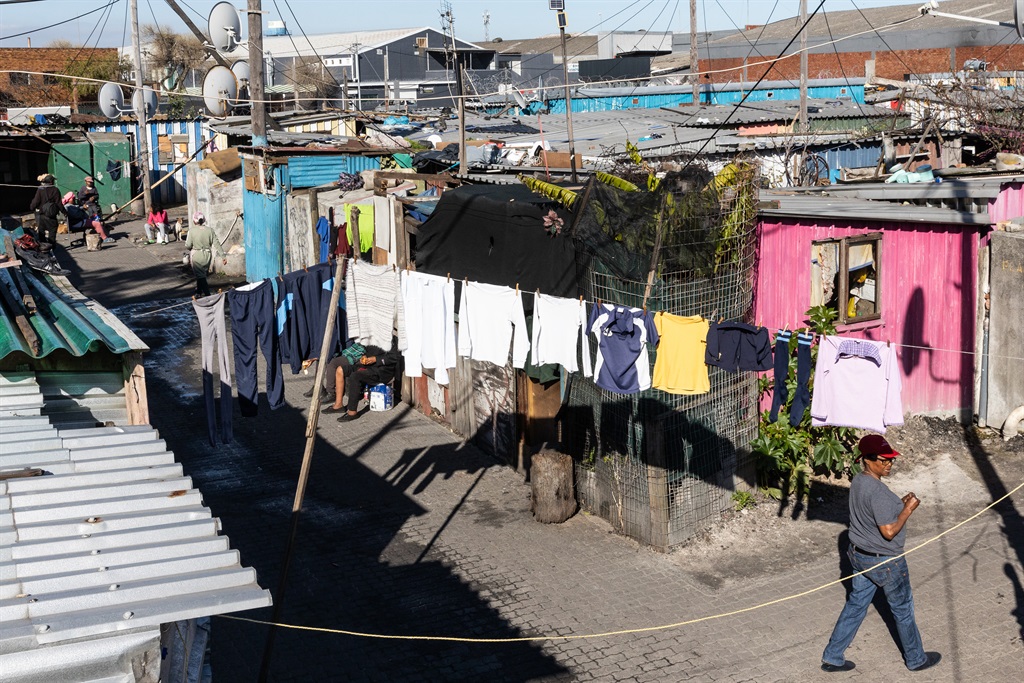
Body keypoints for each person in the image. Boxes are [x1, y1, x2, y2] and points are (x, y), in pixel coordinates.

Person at [821, 434, 941, 673]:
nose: (888, 464)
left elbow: (874, 512)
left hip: (859, 556)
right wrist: (907, 509)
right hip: (886, 562)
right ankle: (916, 659)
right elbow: (888, 531)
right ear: (866, 459)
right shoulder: (876, 491)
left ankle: (833, 656)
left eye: (891, 460)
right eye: (883, 460)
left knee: (855, 605)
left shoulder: (859, 481)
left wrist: (898, 504)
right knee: (902, 610)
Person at [324, 340, 400, 422]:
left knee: (355, 376)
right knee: (340, 370)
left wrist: (375, 359)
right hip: (368, 366)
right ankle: (338, 405)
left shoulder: (388, 338)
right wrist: (363, 357)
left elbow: (394, 357)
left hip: (382, 371)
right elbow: (366, 351)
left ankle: (352, 412)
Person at [185, 212, 226, 297]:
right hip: (207, 255)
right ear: (203, 220)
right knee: (201, 275)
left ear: (194, 221)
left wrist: (190, 248)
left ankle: (208, 295)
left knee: (201, 276)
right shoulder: (210, 230)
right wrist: (223, 256)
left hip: (196, 255)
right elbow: (217, 243)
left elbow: (188, 245)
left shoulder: (191, 231)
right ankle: (199, 292)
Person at [29, 174, 65, 245]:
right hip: (52, 216)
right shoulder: (55, 190)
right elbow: (59, 203)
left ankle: (44, 248)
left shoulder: (40, 189)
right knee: (52, 233)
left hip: (42, 215)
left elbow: (36, 201)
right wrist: (65, 212)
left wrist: (32, 207)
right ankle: (52, 247)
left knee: (41, 233)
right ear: (51, 182)